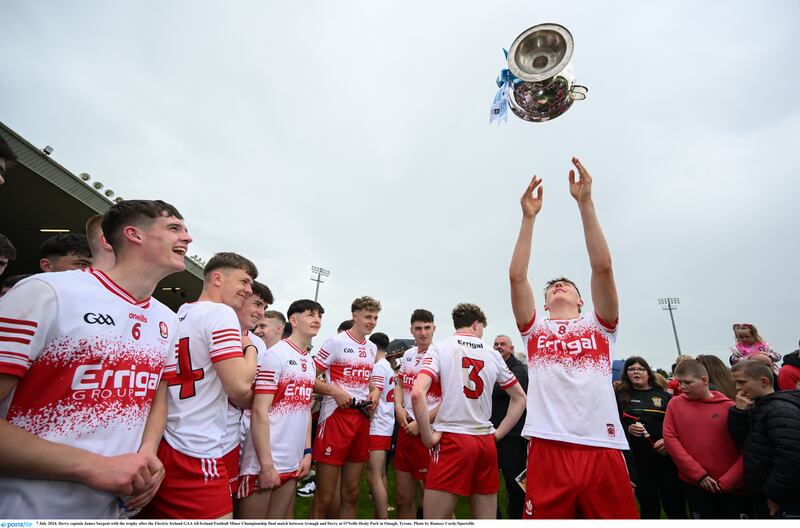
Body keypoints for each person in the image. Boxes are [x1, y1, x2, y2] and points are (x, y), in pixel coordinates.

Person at [0, 199, 191, 518]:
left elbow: (157, 392)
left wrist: (147, 452)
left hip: (112, 510)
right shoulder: (47, 292)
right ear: (133, 234)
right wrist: (92, 466)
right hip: (27, 508)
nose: (187, 238)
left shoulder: (167, 318)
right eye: (174, 228)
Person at [508, 158, 637, 519]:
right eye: (551, 288)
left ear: (582, 300)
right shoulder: (535, 330)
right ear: (545, 303)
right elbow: (517, 277)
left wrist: (585, 204)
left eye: (566, 285)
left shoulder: (600, 327)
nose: (557, 287)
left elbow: (603, 267)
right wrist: (528, 219)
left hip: (602, 443)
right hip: (548, 444)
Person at [140, 252, 260, 519]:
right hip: (196, 446)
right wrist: (250, 348)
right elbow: (239, 387)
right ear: (217, 278)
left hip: (164, 438)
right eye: (244, 281)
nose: (248, 290)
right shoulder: (221, 314)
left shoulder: (179, 314)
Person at [411, 303, 526, 519]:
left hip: (453, 438)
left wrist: (427, 436)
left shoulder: (441, 347)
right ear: (476, 324)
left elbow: (417, 393)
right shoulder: (492, 354)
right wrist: (498, 434)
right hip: (484, 441)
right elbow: (520, 398)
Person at [237, 299, 323, 518]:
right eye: (311, 315)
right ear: (293, 320)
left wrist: (306, 452)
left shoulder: (309, 361)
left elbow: (305, 409)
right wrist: (266, 465)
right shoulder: (275, 355)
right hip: (264, 460)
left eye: (319, 316)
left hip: (293, 460)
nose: (317, 319)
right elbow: (259, 410)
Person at [309, 296, 381, 519]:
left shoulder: (370, 347)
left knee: (351, 494)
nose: (372, 321)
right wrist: (334, 391)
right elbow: (307, 375)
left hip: (361, 419)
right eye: (367, 316)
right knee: (325, 496)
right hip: (335, 418)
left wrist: (375, 391)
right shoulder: (336, 342)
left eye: (375, 317)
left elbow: (367, 378)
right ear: (354, 316)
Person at [662, 359, 751, 519]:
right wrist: (698, 475)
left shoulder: (729, 406)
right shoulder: (674, 404)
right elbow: (670, 439)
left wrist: (729, 480)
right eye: (679, 382)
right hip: (695, 484)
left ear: (704, 380)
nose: (682, 387)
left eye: (687, 382)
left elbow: (747, 447)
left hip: (732, 487)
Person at [615, 356, 686, 519]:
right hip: (639, 460)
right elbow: (614, 425)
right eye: (631, 369)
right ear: (626, 374)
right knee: (649, 505)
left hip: (666, 458)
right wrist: (628, 428)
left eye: (640, 369)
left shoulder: (664, 397)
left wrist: (668, 441)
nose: (636, 372)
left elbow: (678, 426)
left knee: (675, 504)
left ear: (648, 373)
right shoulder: (620, 397)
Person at [222, 281, 272, 511]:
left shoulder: (259, 344)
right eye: (257, 304)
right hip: (202, 437)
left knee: (231, 502)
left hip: (236, 435)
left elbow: (253, 392)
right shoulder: (219, 329)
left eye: (264, 307)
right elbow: (240, 392)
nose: (261, 313)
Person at [728, 360, 800, 518]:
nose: (738, 388)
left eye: (742, 382)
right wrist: (739, 413)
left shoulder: (779, 410)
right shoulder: (758, 407)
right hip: (766, 493)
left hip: (784, 499)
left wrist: (774, 495)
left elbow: (790, 459)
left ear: (764, 381)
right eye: (735, 383)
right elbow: (746, 443)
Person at [393, 309, 441, 519]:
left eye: (427, 328)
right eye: (418, 328)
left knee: (435, 501)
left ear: (434, 328)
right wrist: (398, 407)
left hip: (430, 430)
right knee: (403, 499)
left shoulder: (442, 354)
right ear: (411, 330)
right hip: (405, 427)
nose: (423, 333)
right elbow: (400, 383)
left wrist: (422, 422)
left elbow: (450, 399)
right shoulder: (408, 354)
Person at [490, 334, 528, 519]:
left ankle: (517, 518)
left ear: (511, 348)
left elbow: (502, 390)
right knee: (487, 481)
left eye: (503, 344)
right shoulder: (490, 365)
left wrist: (491, 385)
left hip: (513, 435)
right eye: (496, 344)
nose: (499, 347)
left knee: (516, 483)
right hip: (490, 432)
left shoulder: (519, 369)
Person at [366, 332, 395, 520]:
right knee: (381, 475)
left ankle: (382, 518)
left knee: (373, 476)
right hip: (386, 424)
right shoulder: (388, 367)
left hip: (377, 425)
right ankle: (380, 515)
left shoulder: (378, 367)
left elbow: (373, 399)